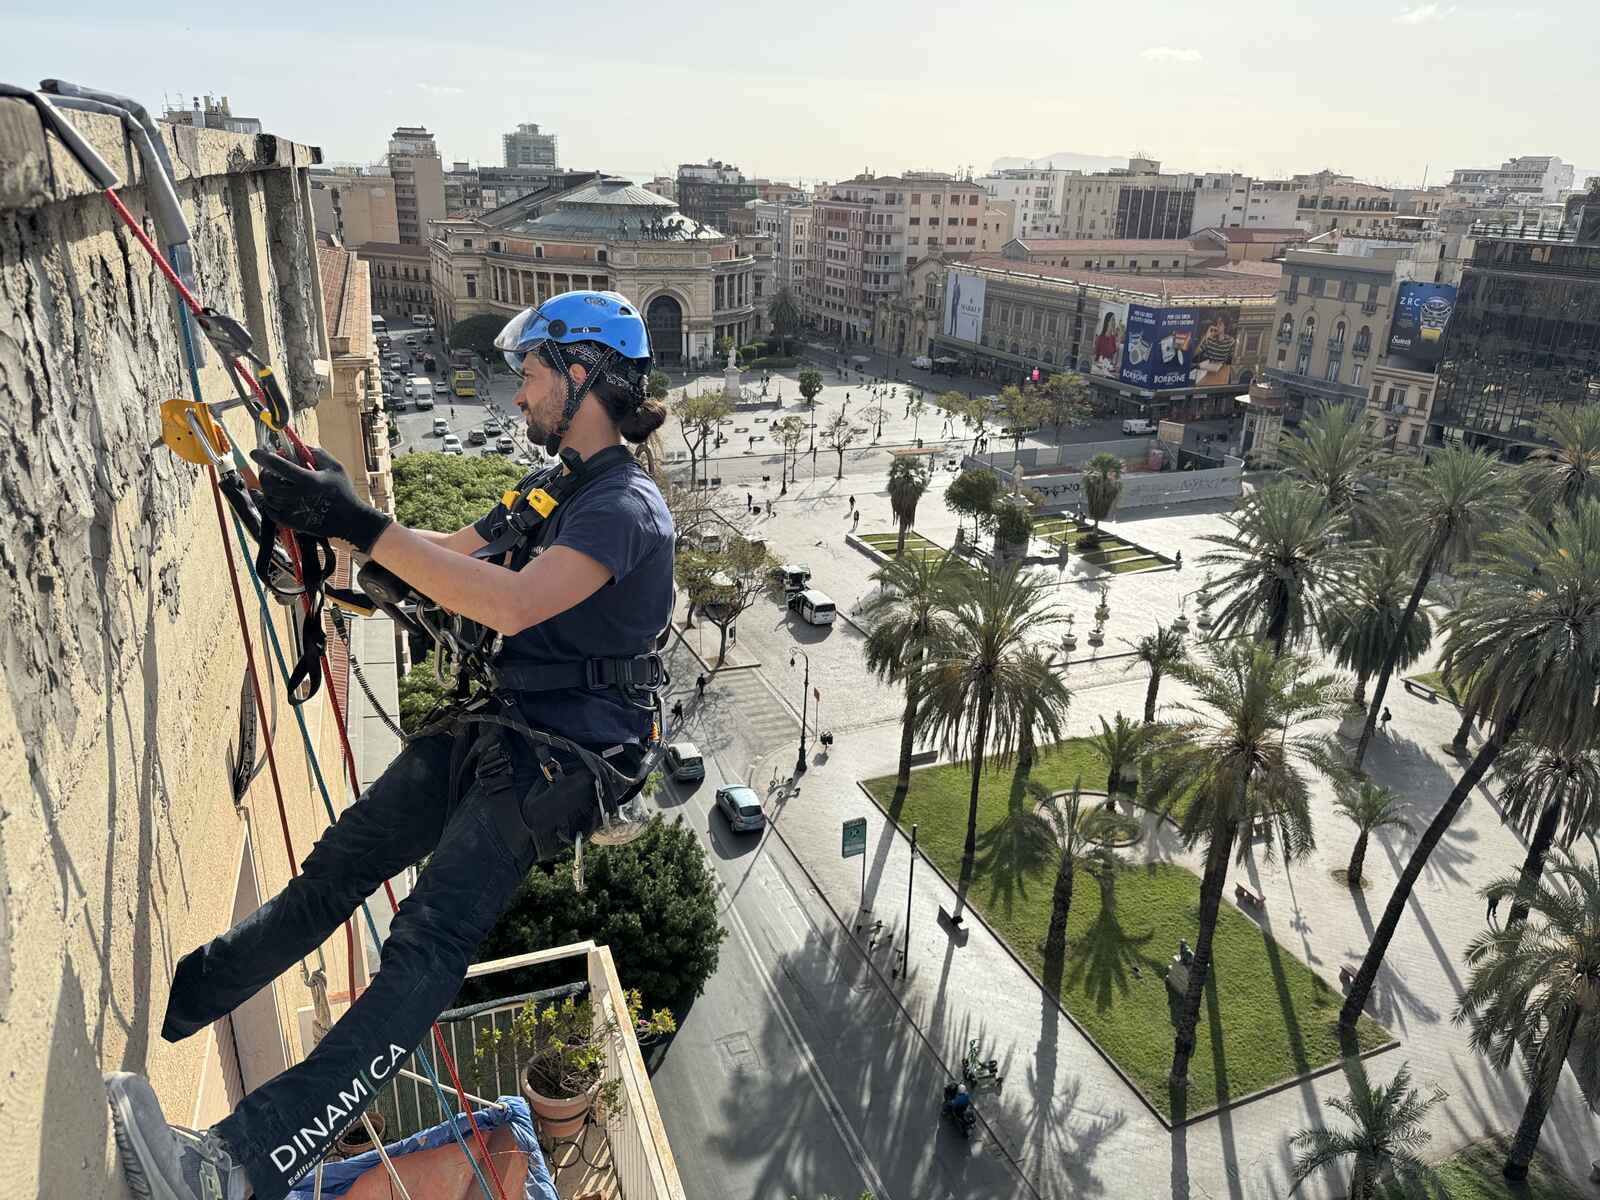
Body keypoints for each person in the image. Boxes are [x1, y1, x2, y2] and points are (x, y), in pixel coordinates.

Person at [105, 290, 674, 1200]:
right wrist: (319, 506)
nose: (518, 395)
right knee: (343, 860)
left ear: (581, 374)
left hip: (556, 764)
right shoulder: (554, 488)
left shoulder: (625, 506)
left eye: (530, 375)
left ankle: (236, 1168)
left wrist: (360, 525)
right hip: (502, 732)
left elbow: (512, 604)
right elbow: (450, 556)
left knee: (425, 945)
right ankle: (191, 998)